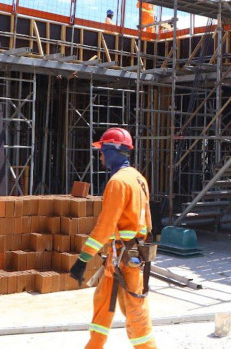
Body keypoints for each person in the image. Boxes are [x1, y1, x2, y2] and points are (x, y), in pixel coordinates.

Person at [69, 127, 156, 349]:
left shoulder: (118, 182)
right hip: (123, 256)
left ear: (112, 151)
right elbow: (147, 220)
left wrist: (82, 260)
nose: (100, 156)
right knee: (103, 301)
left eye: (102, 151)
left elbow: (105, 226)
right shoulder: (138, 178)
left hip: (125, 259)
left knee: (135, 313)